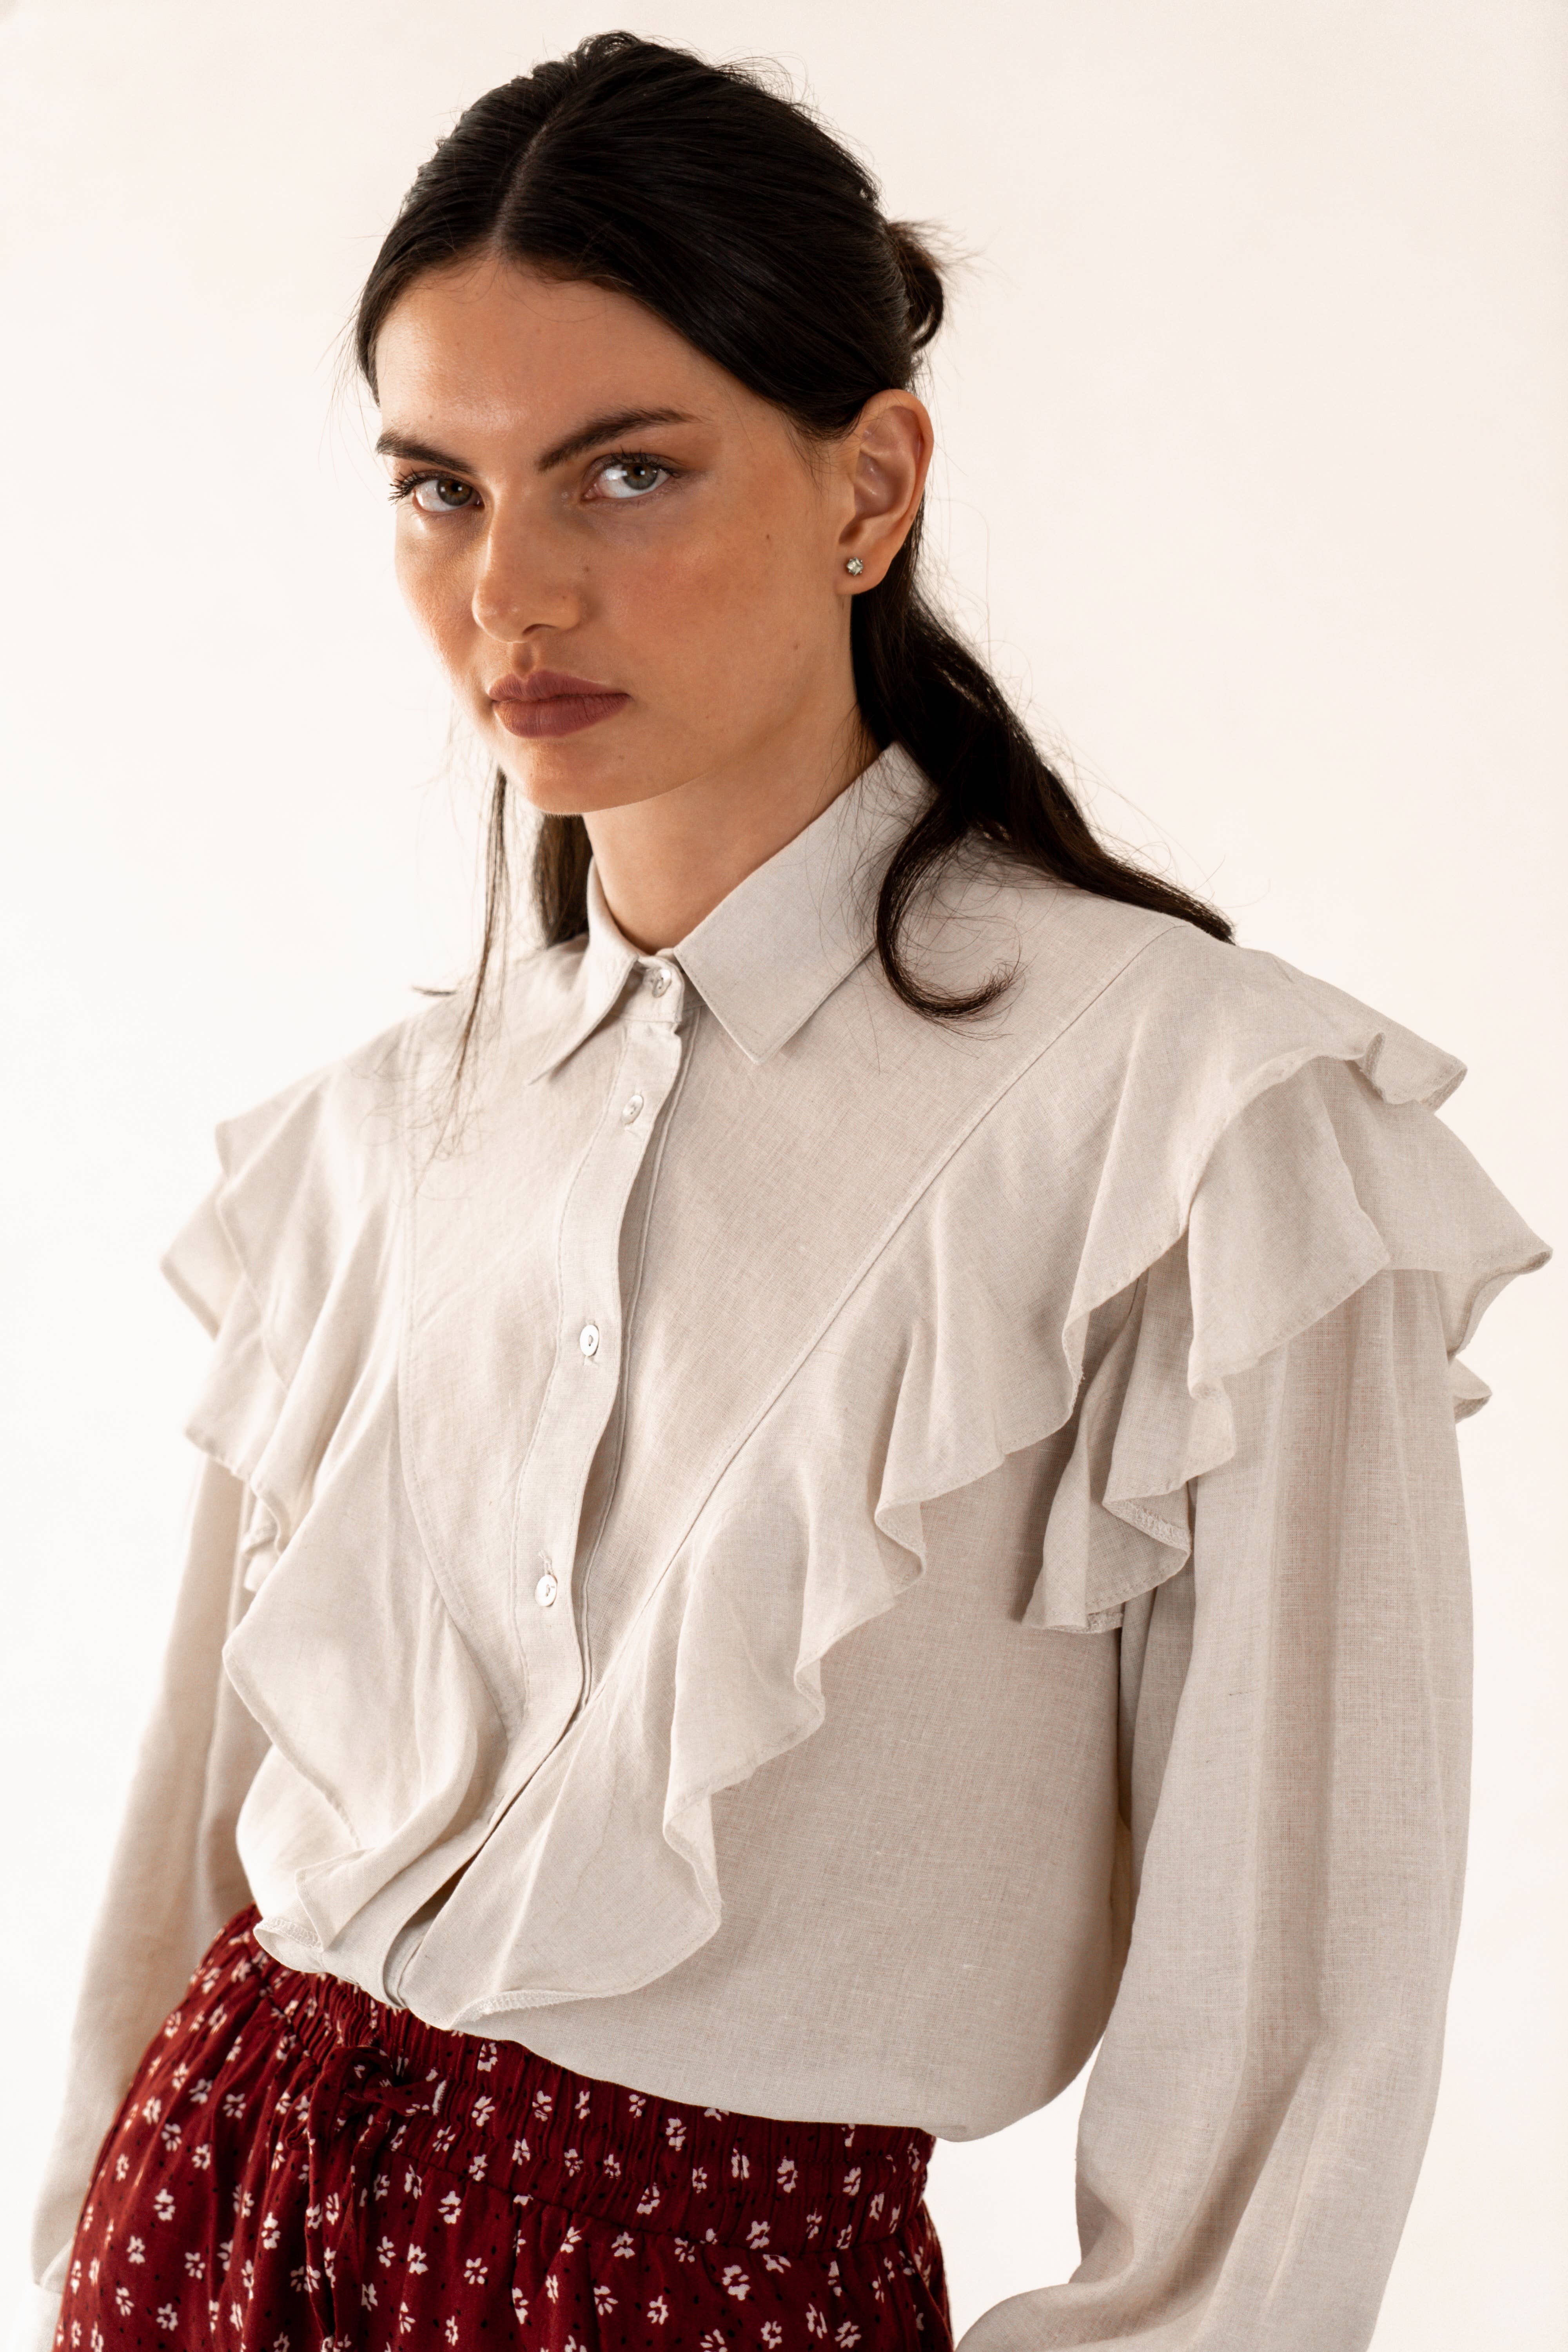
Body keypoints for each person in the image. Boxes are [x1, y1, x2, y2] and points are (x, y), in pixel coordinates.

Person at [15, 31, 1549, 2352]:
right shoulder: (376, 1140)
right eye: (438, 487)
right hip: (205, 2228)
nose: (511, 587)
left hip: (696, 2288)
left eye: (626, 472)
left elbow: (1303, 2023)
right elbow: (192, 1848)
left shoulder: (1206, 1132)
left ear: (872, 486)